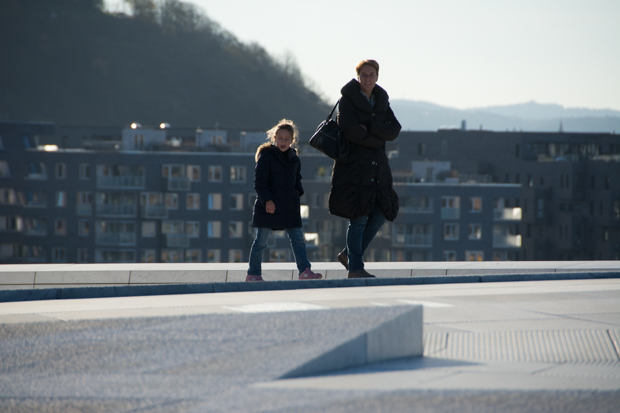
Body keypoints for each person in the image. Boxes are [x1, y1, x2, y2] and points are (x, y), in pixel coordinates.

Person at [329, 60, 401, 278]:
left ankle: (348, 255)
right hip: (354, 167)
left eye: (372, 74)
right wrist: (378, 137)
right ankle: (355, 268)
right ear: (358, 76)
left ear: (377, 77)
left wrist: (369, 126)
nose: (368, 78)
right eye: (364, 75)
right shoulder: (347, 100)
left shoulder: (381, 100)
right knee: (358, 216)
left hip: (377, 168)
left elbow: (394, 130)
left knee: (381, 213)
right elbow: (351, 132)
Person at [246, 119, 323, 282]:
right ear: (274, 138)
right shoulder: (266, 156)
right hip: (268, 207)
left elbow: (297, 179)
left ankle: (305, 271)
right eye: (280, 138)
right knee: (261, 241)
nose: (283, 142)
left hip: (289, 206)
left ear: (292, 140)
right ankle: (253, 274)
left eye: (287, 139)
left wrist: (297, 191)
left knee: (298, 239)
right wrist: (267, 200)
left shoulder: (294, 158)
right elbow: (259, 182)